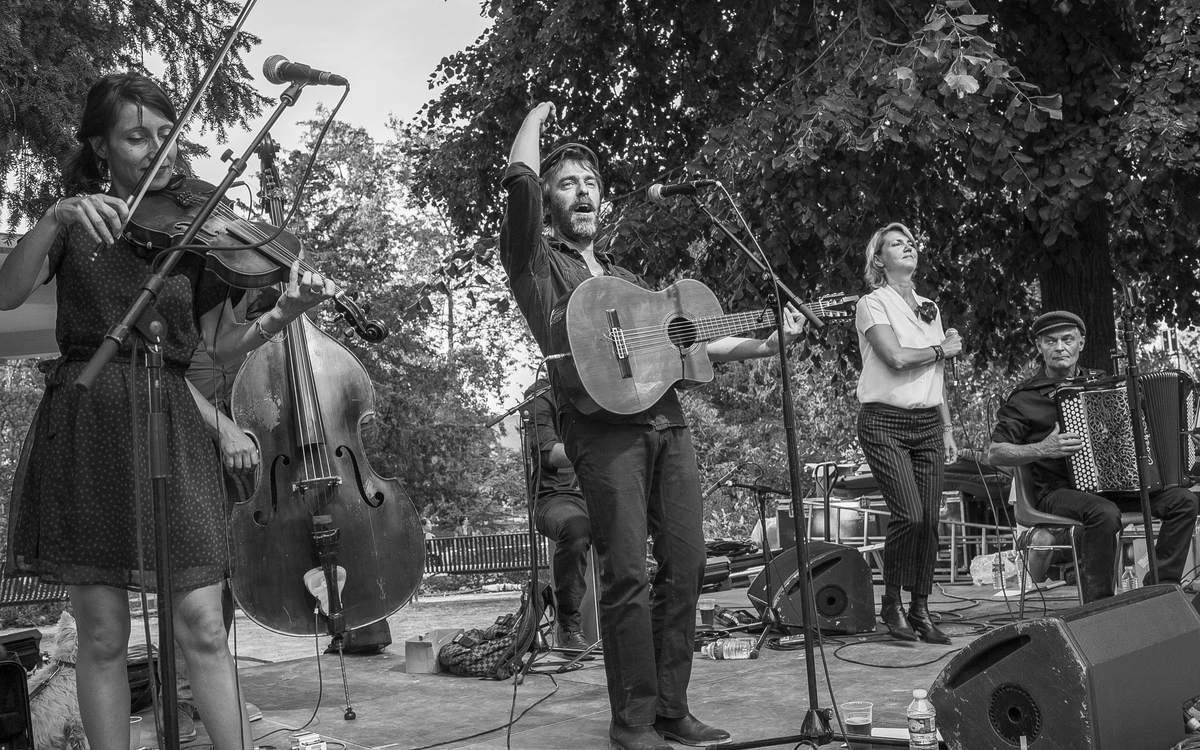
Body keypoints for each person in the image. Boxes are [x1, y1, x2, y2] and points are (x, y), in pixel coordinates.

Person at [0, 73, 334, 750]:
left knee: (204, 627)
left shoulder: (195, 225)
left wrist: (282, 315)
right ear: (100, 146)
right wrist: (57, 216)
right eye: (135, 137)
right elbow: (7, 295)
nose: (156, 149)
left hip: (173, 423)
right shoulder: (75, 219)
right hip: (90, 418)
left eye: (164, 135)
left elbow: (217, 343)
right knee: (101, 635)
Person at [499, 102, 803, 750]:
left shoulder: (629, 279)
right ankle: (632, 722)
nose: (581, 191)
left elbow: (689, 342)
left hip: (670, 427)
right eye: (567, 182)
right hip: (602, 432)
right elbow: (519, 187)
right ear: (551, 200)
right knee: (627, 575)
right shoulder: (538, 267)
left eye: (591, 183)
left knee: (686, 567)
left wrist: (764, 343)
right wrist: (536, 117)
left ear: (604, 204)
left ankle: (672, 709)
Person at [987, 310, 1199, 602]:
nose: (1060, 347)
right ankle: (1098, 605)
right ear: (1039, 347)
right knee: (1103, 513)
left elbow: (1144, 427)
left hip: (1115, 486)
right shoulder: (1025, 399)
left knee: (1184, 501)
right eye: (1050, 341)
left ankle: (1159, 590)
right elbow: (995, 452)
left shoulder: (1105, 384)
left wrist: (1181, 436)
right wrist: (1043, 448)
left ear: (1081, 343)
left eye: (1067, 339)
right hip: (1058, 491)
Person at [854, 222, 961, 644]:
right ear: (879, 259)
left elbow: (936, 375)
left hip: (928, 425)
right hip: (884, 421)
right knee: (909, 515)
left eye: (912, 242)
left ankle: (920, 608)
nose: (908, 247)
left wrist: (948, 428)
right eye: (896, 244)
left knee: (930, 521)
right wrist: (941, 349)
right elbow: (896, 357)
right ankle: (891, 604)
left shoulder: (929, 305)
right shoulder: (871, 304)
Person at [524, 378, 592, 651]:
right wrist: (594, 451)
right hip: (553, 497)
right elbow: (548, 453)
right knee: (576, 527)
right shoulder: (540, 394)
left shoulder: (606, 388)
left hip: (601, 492)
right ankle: (568, 625)